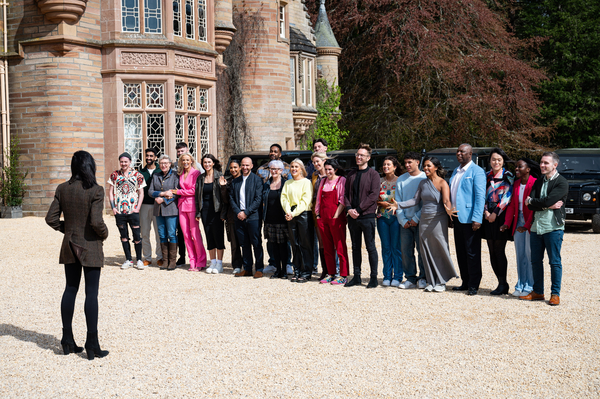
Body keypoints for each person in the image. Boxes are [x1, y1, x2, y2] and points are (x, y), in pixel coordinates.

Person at [45, 150, 109, 360]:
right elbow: (96, 223)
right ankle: (92, 343)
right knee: (91, 294)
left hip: (70, 245)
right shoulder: (96, 190)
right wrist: (105, 234)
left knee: (70, 289)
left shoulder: (63, 188)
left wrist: (69, 229)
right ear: (90, 166)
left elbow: (51, 219)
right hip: (90, 246)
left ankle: (67, 340)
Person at [395, 157, 458, 291]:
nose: (426, 168)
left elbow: (447, 200)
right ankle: (431, 281)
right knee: (426, 250)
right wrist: (398, 205)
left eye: (429, 166)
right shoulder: (423, 183)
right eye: (424, 166)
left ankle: (441, 281)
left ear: (436, 167)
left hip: (438, 219)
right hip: (424, 220)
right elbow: (414, 201)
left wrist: (448, 209)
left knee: (439, 248)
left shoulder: (442, 183)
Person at [521, 152, 568, 306]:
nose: (542, 165)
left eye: (546, 163)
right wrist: (547, 204)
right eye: (541, 162)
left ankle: (555, 294)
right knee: (535, 261)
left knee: (554, 262)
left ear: (555, 165)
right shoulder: (539, 181)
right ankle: (538, 292)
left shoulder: (562, 182)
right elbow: (529, 203)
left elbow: (539, 201)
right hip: (536, 227)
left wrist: (539, 202)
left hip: (553, 227)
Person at [449, 143, 486, 296]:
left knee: (472, 252)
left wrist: (477, 218)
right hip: (457, 217)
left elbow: (479, 196)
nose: (459, 154)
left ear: (470, 154)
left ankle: (474, 284)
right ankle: (465, 281)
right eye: (457, 151)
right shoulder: (455, 172)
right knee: (461, 251)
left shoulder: (477, 171)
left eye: (462, 151)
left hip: (471, 219)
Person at [500, 158, 540, 297]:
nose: (516, 169)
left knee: (529, 255)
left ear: (528, 169)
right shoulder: (516, 183)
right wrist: (507, 223)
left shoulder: (535, 183)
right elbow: (512, 206)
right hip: (518, 221)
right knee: (520, 255)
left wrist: (526, 225)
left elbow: (534, 208)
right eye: (515, 167)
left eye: (519, 167)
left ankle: (529, 286)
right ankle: (520, 284)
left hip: (530, 222)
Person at [344, 144, 380, 288]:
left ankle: (373, 277)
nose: (359, 157)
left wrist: (358, 209)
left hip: (367, 216)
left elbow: (373, 195)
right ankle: (356, 276)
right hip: (352, 217)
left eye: (362, 155)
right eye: (357, 155)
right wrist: (349, 209)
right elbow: (345, 194)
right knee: (355, 247)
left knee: (370, 247)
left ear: (368, 158)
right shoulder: (351, 174)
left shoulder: (373, 174)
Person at [482, 148, 514, 295]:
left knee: (499, 250)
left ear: (503, 162)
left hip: (501, 214)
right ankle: (500, 282)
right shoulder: (485, 175)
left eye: (499, 160)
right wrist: (486, 212)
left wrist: (495, 213)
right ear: (490, 161)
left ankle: (503, 283)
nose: (496, 162)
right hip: (488, 215)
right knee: (491, 251)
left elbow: (507, 196)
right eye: (494, 159)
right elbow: (481, 195)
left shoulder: (508, 176)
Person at [108, 152, 146, 270]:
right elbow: (110, 192)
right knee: (124, 236)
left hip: (133, 211)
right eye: (121, 161)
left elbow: (141, 193)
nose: (123, 164)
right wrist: (113, 207)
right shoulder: (115, 175)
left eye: (125, 161)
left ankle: (139, 259)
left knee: (137, 236)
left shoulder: (137, 175)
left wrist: (138, 207)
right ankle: (128, 259)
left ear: (130, 162)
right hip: (120, 211)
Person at [396, 151, 427, 289]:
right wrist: (403, 220)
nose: (407, 165)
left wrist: (416, 218)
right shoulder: (401, 179)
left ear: (417, 162)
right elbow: (397, 202)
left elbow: (428, 202)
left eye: (410, 162)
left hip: (421, 221)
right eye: (405, 162)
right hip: (405, 223)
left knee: (422, 251)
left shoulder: (426, 177)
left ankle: (423, 278)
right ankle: (410, 278)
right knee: (406, 251)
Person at [315, 158, 349, 285]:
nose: (328, 171)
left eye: (330, 169)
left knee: (340, 246)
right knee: (327, 247)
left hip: (336, 218)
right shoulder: (323, 181)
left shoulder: (341, 180)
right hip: (323, 218)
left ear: (335, 169)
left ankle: (343, 274)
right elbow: (318, 199)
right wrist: (318, 215)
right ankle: (331, 273)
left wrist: (335, 216)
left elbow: (342, 200)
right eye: (326, 169)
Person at [171, 152, 207, 272]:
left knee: (195, 234)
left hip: (192, 205)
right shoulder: (181, 173)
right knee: (186, 235)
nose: (185, 162)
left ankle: (201, 261)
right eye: (183, 160)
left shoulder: (196, 173)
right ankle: (192, 262)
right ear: (181, 162)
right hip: (182, 206)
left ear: (191, 161)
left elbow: (194, 190)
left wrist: (179, 192)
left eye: (187, 160)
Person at [229, 157, 264, 277]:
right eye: (243, 165)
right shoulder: (235, 181)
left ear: (252, 166)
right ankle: (247, 268)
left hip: (253, 216)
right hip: (239, 216)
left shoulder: (257, 180)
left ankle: (259, 268)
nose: (245, 167)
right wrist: (238, 212)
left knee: (256, 243)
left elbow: (258, 199)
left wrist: (246, 212)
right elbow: (232, 198)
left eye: (247, 165)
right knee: (244, 244)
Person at [281, 159, 314, 283]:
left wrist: (293, 213)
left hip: (303, 214)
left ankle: (306, 272)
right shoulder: (288, 183)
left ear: (301, 169)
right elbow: (284, 198)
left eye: (296, 167)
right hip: (290, 214)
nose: (294, 169)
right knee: (295, 244)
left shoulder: (306, 182)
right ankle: (297, 270)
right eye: (292, 167)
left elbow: (306, 200)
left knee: (305, 244)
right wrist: (288, 212)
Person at [195, 154, 226, 273]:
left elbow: (224, 198)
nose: (207, 164)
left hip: (217, 211)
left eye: (209, 162)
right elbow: (197, 197)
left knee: (218, 236)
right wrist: (198, 213)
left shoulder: (219, 176)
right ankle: (212, 262)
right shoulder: (200, 178)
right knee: (209, 235)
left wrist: (223, 214)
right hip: (205, 211)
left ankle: (219, 263)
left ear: (213, 163)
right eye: (205, 162)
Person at [148, 154, 180, 271]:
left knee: (171, 234)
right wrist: (161, 194)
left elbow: (176, 193)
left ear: (170, 164)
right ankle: (165, 260)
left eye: (166, 163)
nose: (163, 165)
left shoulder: (175, 175)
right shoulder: (156, 175)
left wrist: (165, 199)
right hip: (158, 210)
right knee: (162, 235)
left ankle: (172, 261)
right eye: (161, 163)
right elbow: (150, 191)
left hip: (171, 209)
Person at [376, 156, 403, 287]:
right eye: (384, 164)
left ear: (395, 166)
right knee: (385, 248)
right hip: (382, 217)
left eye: (389, 164)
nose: (386, 166)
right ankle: (387, 275)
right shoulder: (379, 181)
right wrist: (380, 202)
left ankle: (398, 276)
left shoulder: (400, 181)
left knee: (396, 248)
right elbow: (373, 197)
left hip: (396, 218)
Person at [262, 160, 290, 279]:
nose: (274, 171)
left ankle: (284, 270)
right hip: (269, 220)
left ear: (281, 171)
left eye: (276, 169)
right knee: (273, 246)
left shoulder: (286, 184)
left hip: (282, 220)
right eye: (271, 169)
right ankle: (277, 270)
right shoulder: (266, 184)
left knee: (283, 246)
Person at [138, 148, 163, 267]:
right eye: (147, 156)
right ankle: (147, 257)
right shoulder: (140, 172)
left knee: (159, 233)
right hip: (144, 206)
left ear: (155, 157)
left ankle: (160, 257)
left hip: (158, 205)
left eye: (151, 156)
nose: (148, 158)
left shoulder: (160, 170)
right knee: (145, 233)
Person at [220, 159, 243, 273]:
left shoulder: (244, 180)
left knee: (246, 242)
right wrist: (223, 187)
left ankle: (248, 263)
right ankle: (237, 265)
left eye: (235, 167)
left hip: (244, 214)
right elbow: (225, 200)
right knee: (234, 242)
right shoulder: (227, 182)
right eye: (231, 167)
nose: (233, 170)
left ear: (240, 168)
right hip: (231, 215)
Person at [311, 151, 330, 278]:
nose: (316, 164)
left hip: (330, 212)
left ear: (324, 161)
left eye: (318, 161)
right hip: (317, 213)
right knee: (321, 242)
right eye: (314, 162)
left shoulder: (331, 173)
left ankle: (335, 269)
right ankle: (325, 270)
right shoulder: (314, 175)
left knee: (332, 242)